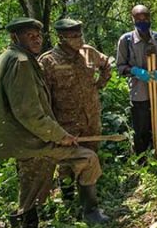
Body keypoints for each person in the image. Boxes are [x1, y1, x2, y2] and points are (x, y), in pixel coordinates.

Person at [0, 17, 106, 228]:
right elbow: (29, 113)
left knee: (33, 187)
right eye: (29, 36)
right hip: (32, 141)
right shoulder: (21, 62)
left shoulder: (9, 58)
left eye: (38, 35)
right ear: (15, 37)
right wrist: (60, 135)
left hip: (30, 139)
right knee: (81, 162)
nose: (36, 39)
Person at [39, 18, 111, 204]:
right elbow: (43, 97)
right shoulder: (48, 61)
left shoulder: (88, 53)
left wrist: (99, 84)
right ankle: (68, 197)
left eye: (80, 35)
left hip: (91, 118)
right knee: (67, 164)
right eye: (73, 36)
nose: (79, 39)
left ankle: (89, 197)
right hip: (66, 124)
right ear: (62, 38)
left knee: (91, 156)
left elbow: (106, 65)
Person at [117, 5, 157, 154]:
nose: (142, 21)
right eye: (138, 18)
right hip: (139, 92)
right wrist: (136, 71)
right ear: (133, 19)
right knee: (141, 126)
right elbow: (120, 67)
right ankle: (142, 157)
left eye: (145, 18)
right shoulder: (126, 40)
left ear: (150, 18)